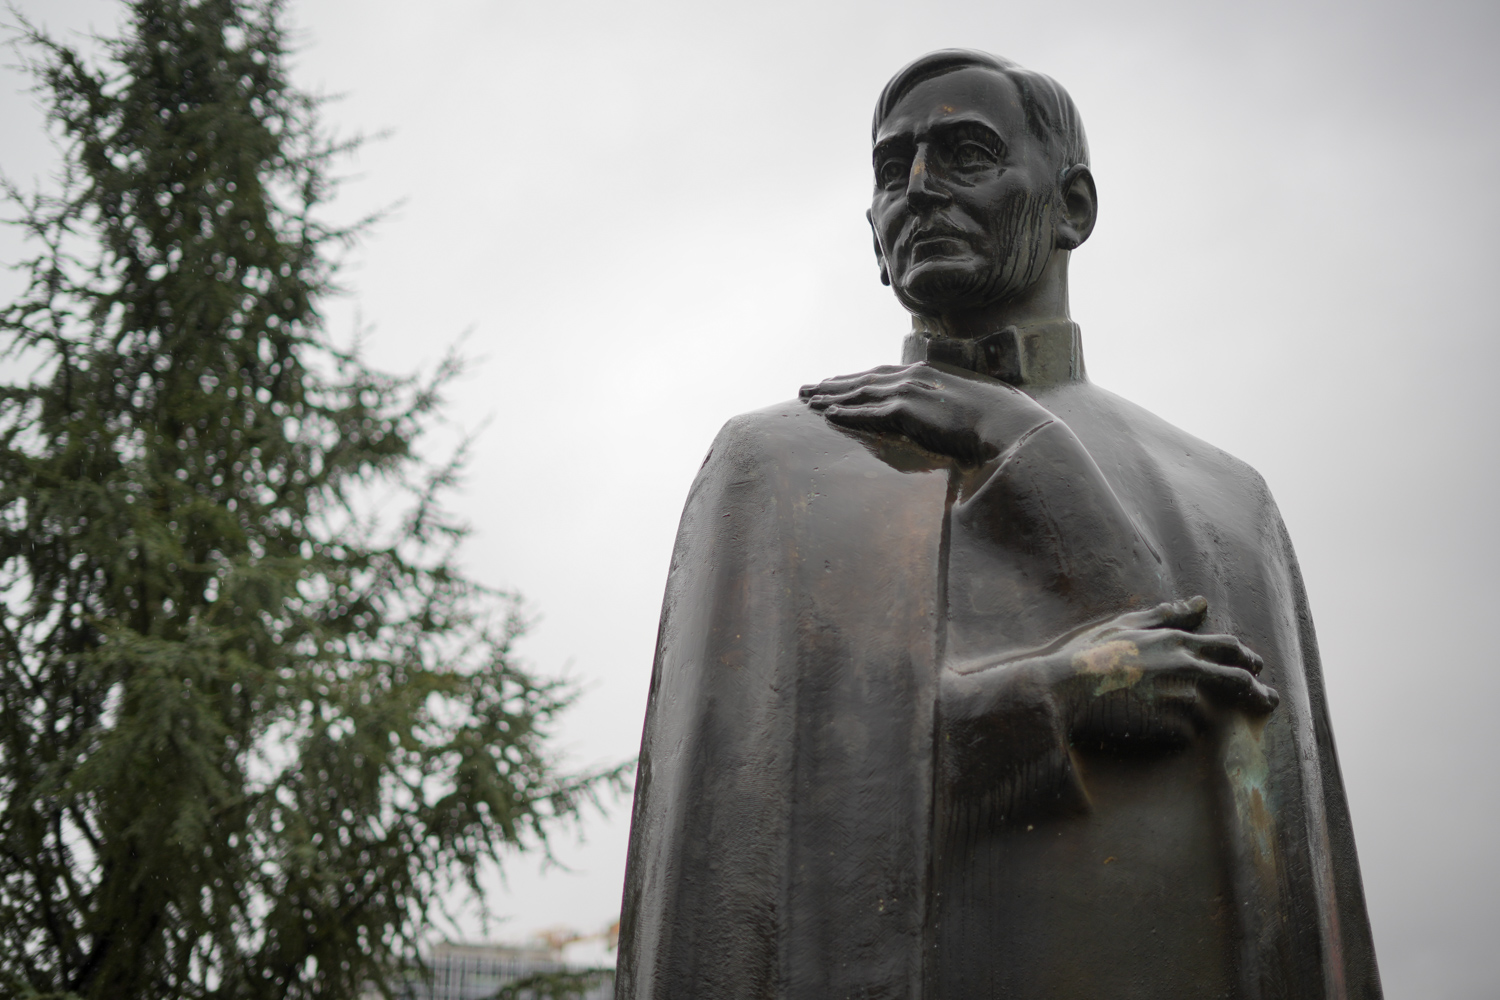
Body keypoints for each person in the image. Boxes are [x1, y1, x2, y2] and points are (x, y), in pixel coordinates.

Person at [616, 49, 1381, 1000]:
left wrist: (1022, 443)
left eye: (966, 154)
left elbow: (1291, 854)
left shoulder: (1228, 499)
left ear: (1073, 207)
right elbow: (738, 818)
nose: (918, 189)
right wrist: (1047, 703)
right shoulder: (779, 466)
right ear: (873, 233)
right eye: (891, 170)